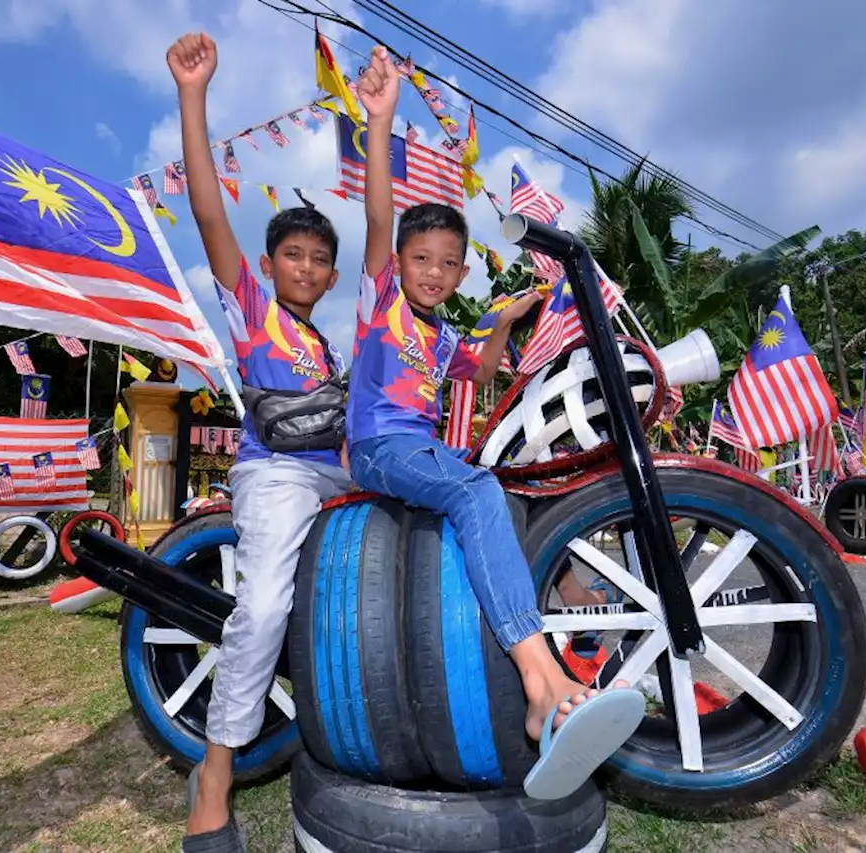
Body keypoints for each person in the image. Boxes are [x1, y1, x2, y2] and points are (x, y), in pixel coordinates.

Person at [348, 46, 645, 801]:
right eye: (422, 258)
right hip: (380, 449)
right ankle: (539, 679)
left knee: (499, 487)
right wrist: (379, 122)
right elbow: (379, 212)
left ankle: (551, 681)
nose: (434, 272)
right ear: (400, 261)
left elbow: (482, 372)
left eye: (449, 263)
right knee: (478, 490)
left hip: (420, 448)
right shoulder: (380, 300)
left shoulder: (443, 333)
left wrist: (507, 319)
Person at [167, 32, 352, 850]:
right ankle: (214, 770)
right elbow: (208, 209)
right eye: (293, 254)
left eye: (319, 259)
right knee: (266, 601)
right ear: (272, 262)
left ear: (331, 275)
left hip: (337, 478)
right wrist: (193, 93)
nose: (306, 268)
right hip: (274, 473)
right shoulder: (252, 309)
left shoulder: (332, 347)